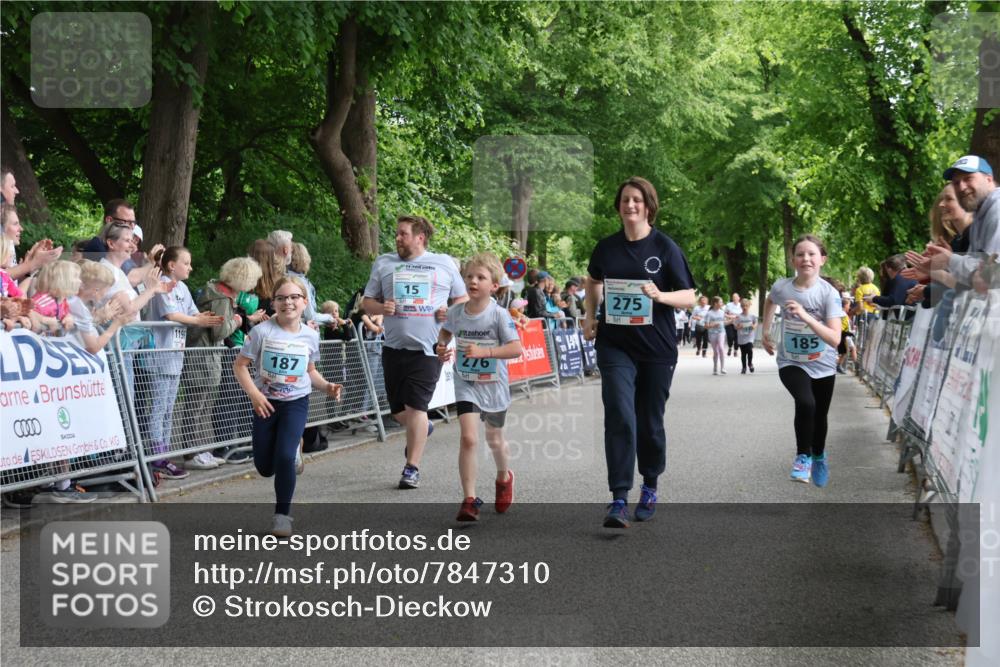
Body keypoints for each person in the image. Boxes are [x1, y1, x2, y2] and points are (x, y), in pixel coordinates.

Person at [582, 176, 696, 528]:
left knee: (649, 422)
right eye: (625, 200)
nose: (630, 206)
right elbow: (592, 280)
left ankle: (649, 483)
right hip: (615, 344)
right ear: (618, 206)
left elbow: (690, 295)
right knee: (619, 413)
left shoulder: (664, 247)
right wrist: (589, 316)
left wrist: (660, 296)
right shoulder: (606, 248)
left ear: (648, 206)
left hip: (656, 348)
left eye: (637, 201)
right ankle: (618, 497)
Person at [363, 215, 468, 489]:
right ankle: (421, 429)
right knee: (399, 411)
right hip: (393, 347)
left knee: (417, 407)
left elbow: (463, 299)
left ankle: (412, 468)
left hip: (430, 348)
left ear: (420, 237)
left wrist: (451, 311)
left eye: (403, 234)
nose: (397, 238)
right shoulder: (384, 263)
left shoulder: (443, 263)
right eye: (397, 234)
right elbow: (367, 301)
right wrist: (380, 308)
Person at [234, 276, 343, 537]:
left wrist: (327, 386)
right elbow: (240, 366)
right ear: (273, 303)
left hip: (296, 402)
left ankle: (282, 517)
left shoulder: (311, 335)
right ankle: (291, 450)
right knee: (264, 467)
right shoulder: (261, 332)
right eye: (281, 298)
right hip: (265, 404)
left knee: (283, 457)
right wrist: (254, 395)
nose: (288, 302)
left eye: (294, 297)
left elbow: (311, 371)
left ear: (305, 303)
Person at [436, 253, 523, 521]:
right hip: (466, 382)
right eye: (469, 276)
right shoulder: (455, 313)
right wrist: (441, 348)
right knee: (469, 438)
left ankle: (503, 476)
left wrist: (484, 353)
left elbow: (516, 348)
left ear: (494, 286)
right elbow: (445, 332)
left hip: (494, 385)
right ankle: (469, 499)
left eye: (480, 277)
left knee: (494, 439)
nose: (473, 281)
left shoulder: (499, 315)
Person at [762, 234, 844, 487]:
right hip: (791, 361)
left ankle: (819, 455)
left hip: (823, 364)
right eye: (800, 254)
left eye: (811, 254)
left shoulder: (829, 294)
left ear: (822, 260)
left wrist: (806, 317)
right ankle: (802, 457)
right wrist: (765, 331)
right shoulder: (782, 287)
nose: (805, 258)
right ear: (793, 260)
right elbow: (769, 301)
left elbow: (834, 339)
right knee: (806, 403)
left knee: (820, 415)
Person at [145, 247, 225, 472]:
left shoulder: (183, 288)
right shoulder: (161, 285)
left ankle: (166, 452)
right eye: (186, 263)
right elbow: (172, 315)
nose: (190, 267)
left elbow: (192, 313)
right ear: (172, 265)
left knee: (170, 408)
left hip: (176, 357)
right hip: (160, 355)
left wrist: (203, 318)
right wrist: (196, 321)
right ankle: (156, 456)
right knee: (159, 407)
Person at [925, 155, 1000, 286]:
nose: (961, 187)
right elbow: (973, 277)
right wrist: (948, 259)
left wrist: (950, 259)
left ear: (989, 179)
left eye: (968, 178)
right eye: (956, 182)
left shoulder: (997, 209)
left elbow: (990, 275)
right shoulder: (980, 215)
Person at [705, 296, 727, 375]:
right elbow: (706, 326)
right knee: (716, 351)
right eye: (720, 302)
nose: (722, 303)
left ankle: (723, 368)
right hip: (712, 333)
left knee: (721, 347)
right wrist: (713, 325)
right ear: (715, 303)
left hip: (721, 332)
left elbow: (724, 322)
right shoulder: (709, 313)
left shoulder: (722, 312)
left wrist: (732, 321)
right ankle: (715, 368)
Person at [735, 298, 757, 374]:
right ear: (741, 307)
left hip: (749, 336)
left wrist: (754, 326)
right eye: (743, 306)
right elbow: (735, 326)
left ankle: (750, 364)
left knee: (750, 350)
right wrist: (739, 327)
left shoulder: (752, 316)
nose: (745, 307)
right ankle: (744, 367)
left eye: (746, 306)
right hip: (741, 337)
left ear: (749, 306)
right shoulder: (739, 317)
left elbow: (755, 323)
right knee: (743, 353)